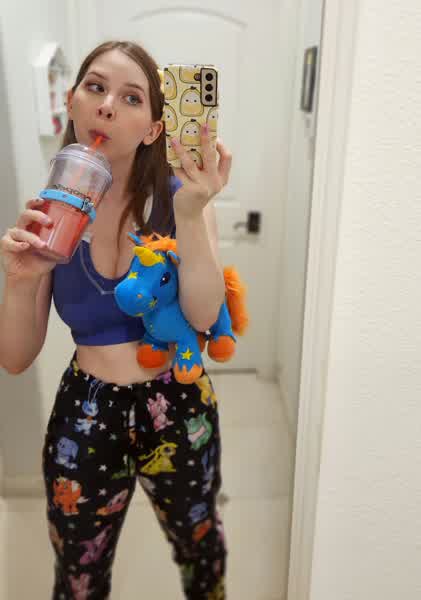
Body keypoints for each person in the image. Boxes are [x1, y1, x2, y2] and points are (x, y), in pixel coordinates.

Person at [0, 40, 232, 599]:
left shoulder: (183, 199)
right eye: (95, 87)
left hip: (178, 401)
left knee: (201, 553)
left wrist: (192, 215)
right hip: (87, 410)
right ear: (72, 103)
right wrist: (20, 279)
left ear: (153, 129)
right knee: (78, 575)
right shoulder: (52, 210)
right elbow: (14, 358)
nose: (107, 105)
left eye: (131, 97)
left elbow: (203, 315)